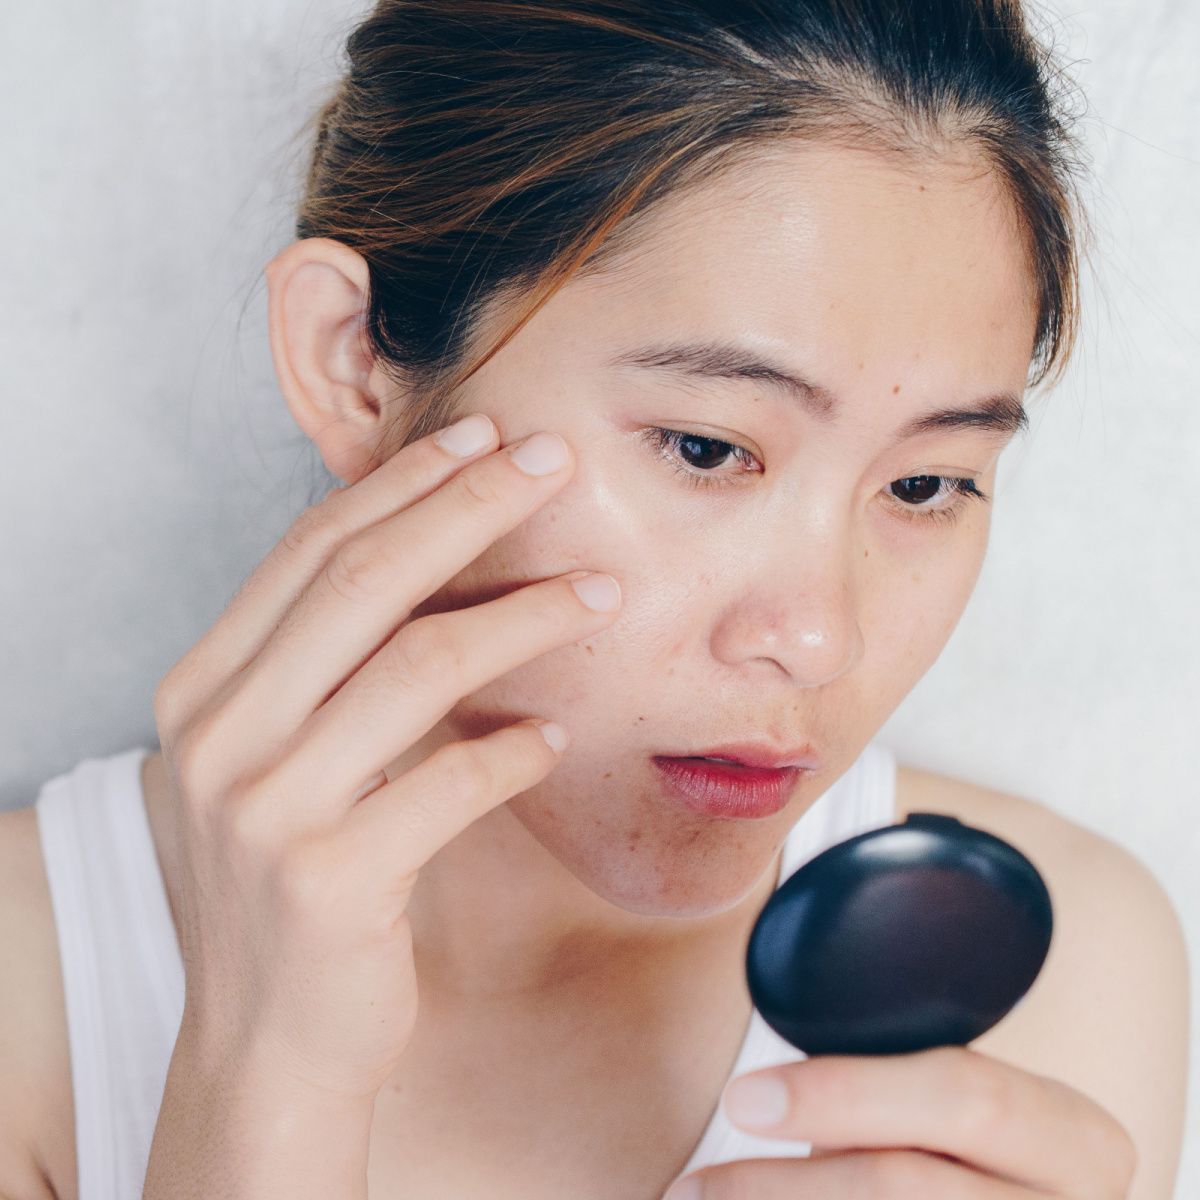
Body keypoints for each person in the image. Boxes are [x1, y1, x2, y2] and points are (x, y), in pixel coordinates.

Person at [0, 1, 1189, 1198]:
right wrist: (264, 1079)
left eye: (926, 483)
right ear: (351, 357)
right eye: (708, 449)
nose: (819, 639)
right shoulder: (27, 990)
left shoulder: (1042, 982)